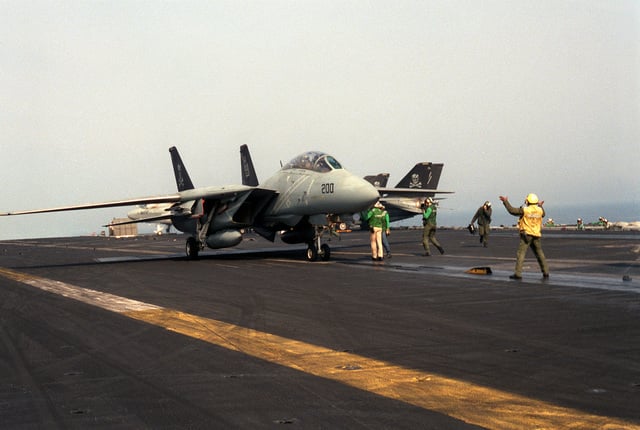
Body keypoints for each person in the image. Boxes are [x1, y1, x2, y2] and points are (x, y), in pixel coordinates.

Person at [499, 193, 549, 280]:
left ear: (527, 201)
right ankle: (546, 272)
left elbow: (512, 211)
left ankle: (518, 273)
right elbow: (543, 214)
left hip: (526, 235)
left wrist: (505, 201)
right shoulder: (540, 210)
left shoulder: (525, 210)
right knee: (540, 253)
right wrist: (540, 206)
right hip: (536, 234)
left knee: (521, 254)